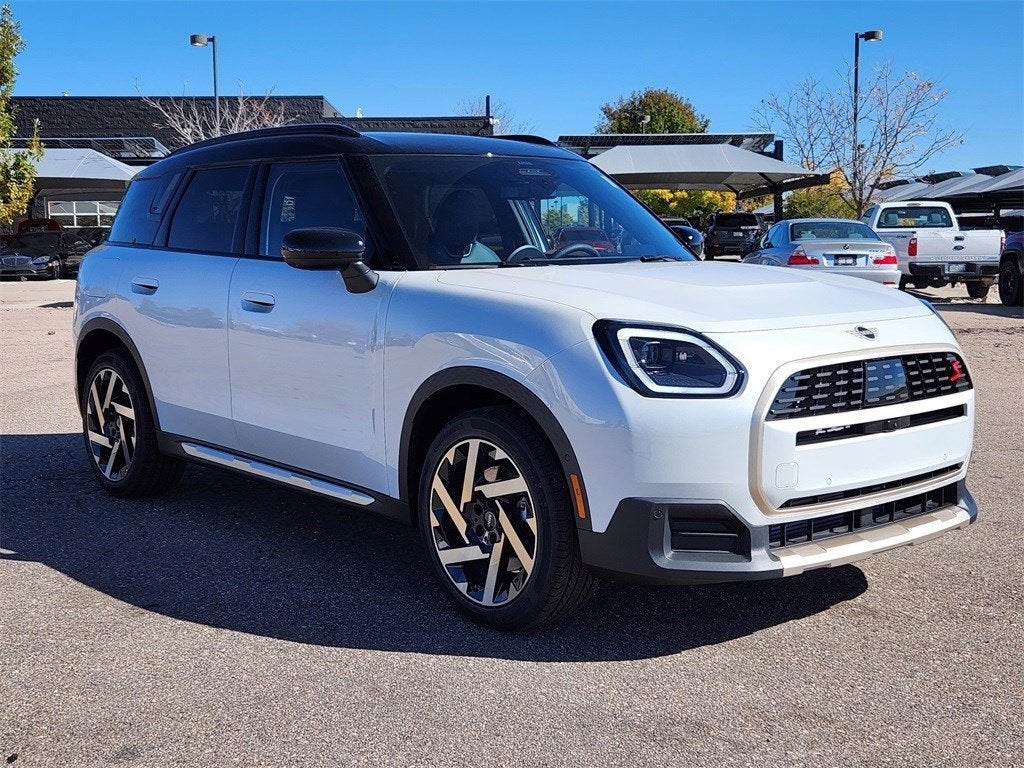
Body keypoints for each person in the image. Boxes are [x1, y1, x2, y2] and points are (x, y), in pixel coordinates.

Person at [428, 189, 499, 265]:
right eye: (457, 214)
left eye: (471, 214)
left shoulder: (488, 259)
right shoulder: (422, 258)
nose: (463, 222)